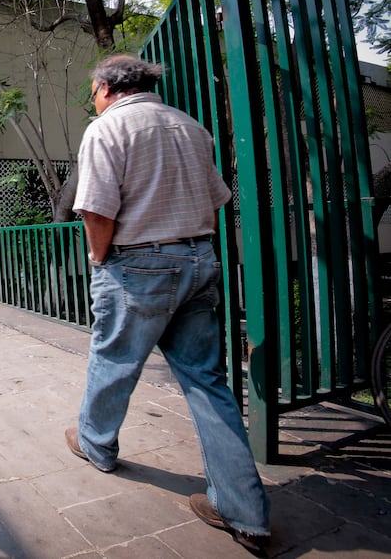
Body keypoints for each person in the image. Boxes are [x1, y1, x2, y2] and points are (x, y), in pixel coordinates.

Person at [67, 55, 271, 553]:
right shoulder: (191, 127)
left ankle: (96, 443)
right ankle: (245, 513)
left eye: (92, 91)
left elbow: (96, 208)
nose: (92, 100)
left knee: (114, 361)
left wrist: (98, 259)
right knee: (207, 382)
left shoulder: (107, 128)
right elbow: (218, 199)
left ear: (106, 87)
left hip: (138, 264)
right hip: (200, 259)